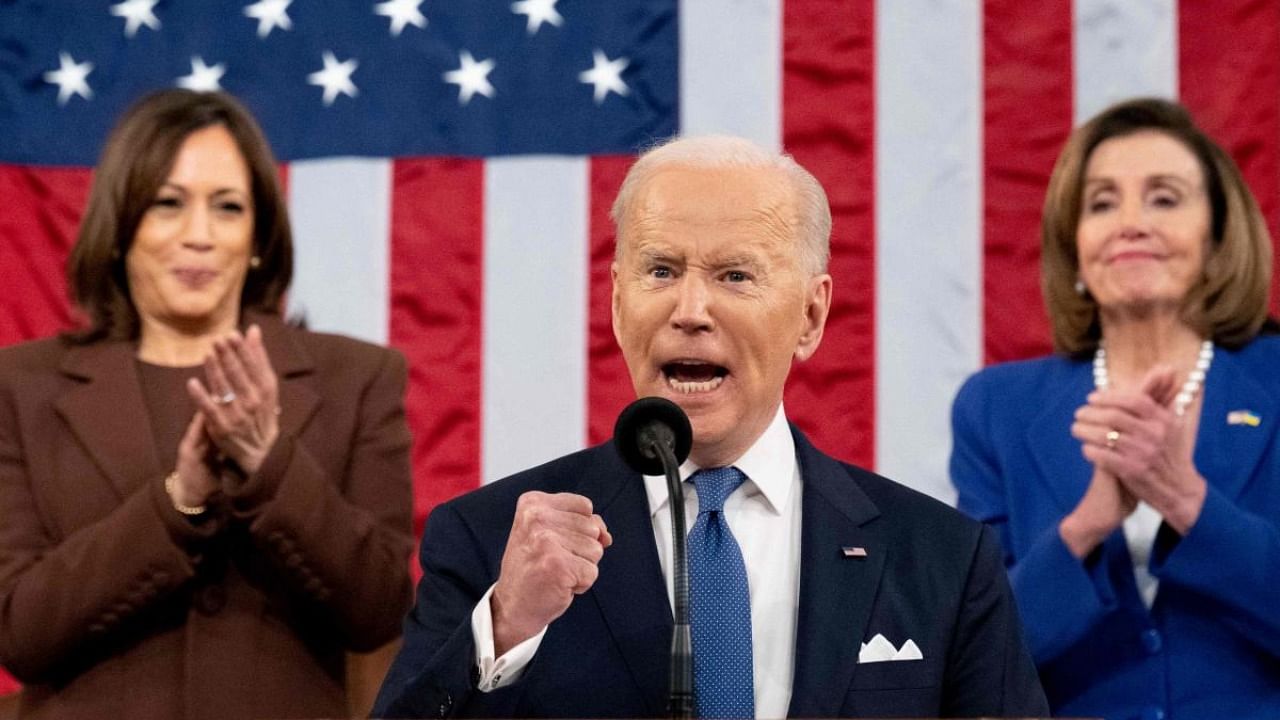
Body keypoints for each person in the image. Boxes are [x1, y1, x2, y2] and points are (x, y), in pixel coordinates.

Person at [373, 135, 1047, 718]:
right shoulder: (489, 542)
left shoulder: (942, 560)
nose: (690, 309)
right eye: (660, 271)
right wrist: (507, 623)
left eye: (734, 275)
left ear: (810, 318)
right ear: (616, 303)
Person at [0, 89, 415, 720]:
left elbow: (380, 609)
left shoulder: (355, 378)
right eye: (168, 205)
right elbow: (18, 631)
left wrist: (270, 464)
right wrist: (176, 503)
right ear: (120, 229)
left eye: (227, 208)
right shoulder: (20, 385)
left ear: (257, 237)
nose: (199, 235)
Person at [950, 97, 1280, 719]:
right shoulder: (997, 408)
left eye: (1164, 198)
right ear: (1075, 250)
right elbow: (976, 656)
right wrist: (1088, 525)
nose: (1131, 222)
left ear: (1216, 239)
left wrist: (1186, 500)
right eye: (1102, 203)